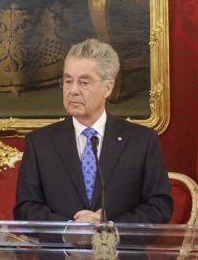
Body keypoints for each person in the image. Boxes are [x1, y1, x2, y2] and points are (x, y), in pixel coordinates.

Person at [14, 38, 172, 223]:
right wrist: (69, 228)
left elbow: (159, 207)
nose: (73, 90)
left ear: (108, 87)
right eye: (68, 81)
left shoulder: (141, 141)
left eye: (84, 82)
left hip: (118, 242)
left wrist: (109, 228)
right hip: (60, 242)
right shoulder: (40, 143)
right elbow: (26, 208)